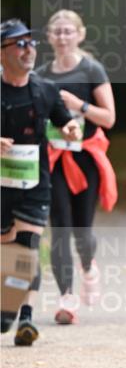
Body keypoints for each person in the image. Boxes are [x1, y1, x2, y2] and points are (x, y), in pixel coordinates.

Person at [1, 18, 81, 345]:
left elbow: (65, 122)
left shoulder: (45, 90)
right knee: (7, 252)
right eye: (19, 44)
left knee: (29, 249)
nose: (28, 49)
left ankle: (26, 318)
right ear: (2, 52)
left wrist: (71, 129)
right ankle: (7, 307)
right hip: (1, 186)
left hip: (35, 183)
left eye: (31, 43)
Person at [36, 10, 117, 325]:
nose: (62, 37)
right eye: (57, 32)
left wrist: (77, 105)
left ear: (80, 35)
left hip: (85, 158)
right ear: (49, 37)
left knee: (82, 230)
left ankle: (88, 266)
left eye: (68, 31)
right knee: (60, 228)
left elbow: (109, 118)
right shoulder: (42, 74)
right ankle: (67, 299)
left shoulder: (91, 69)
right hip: (54, 158)